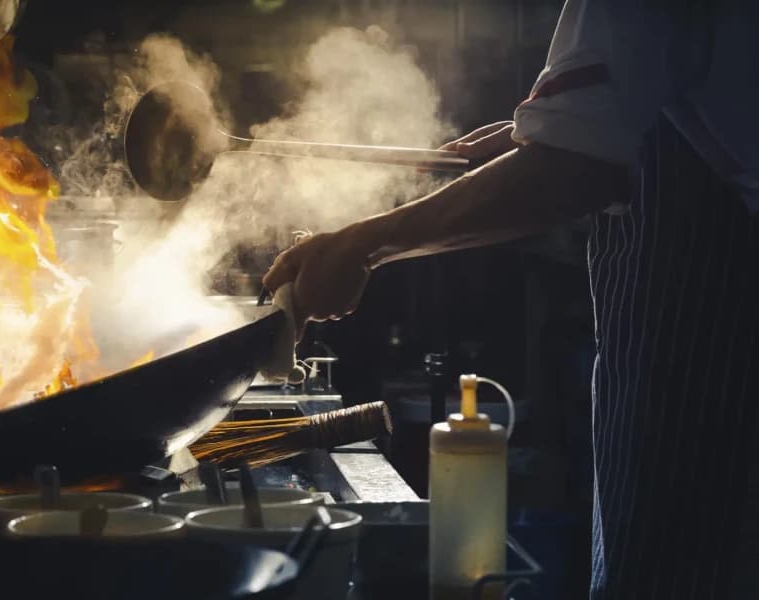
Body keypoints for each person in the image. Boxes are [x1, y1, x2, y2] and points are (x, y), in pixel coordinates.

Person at [262, 0, 758, 597]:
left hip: (720, 339)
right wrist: (541, 132)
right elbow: (638, 114)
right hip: (692, 330)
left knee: (682, 566)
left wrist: (362, 247)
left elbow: (574, 170)